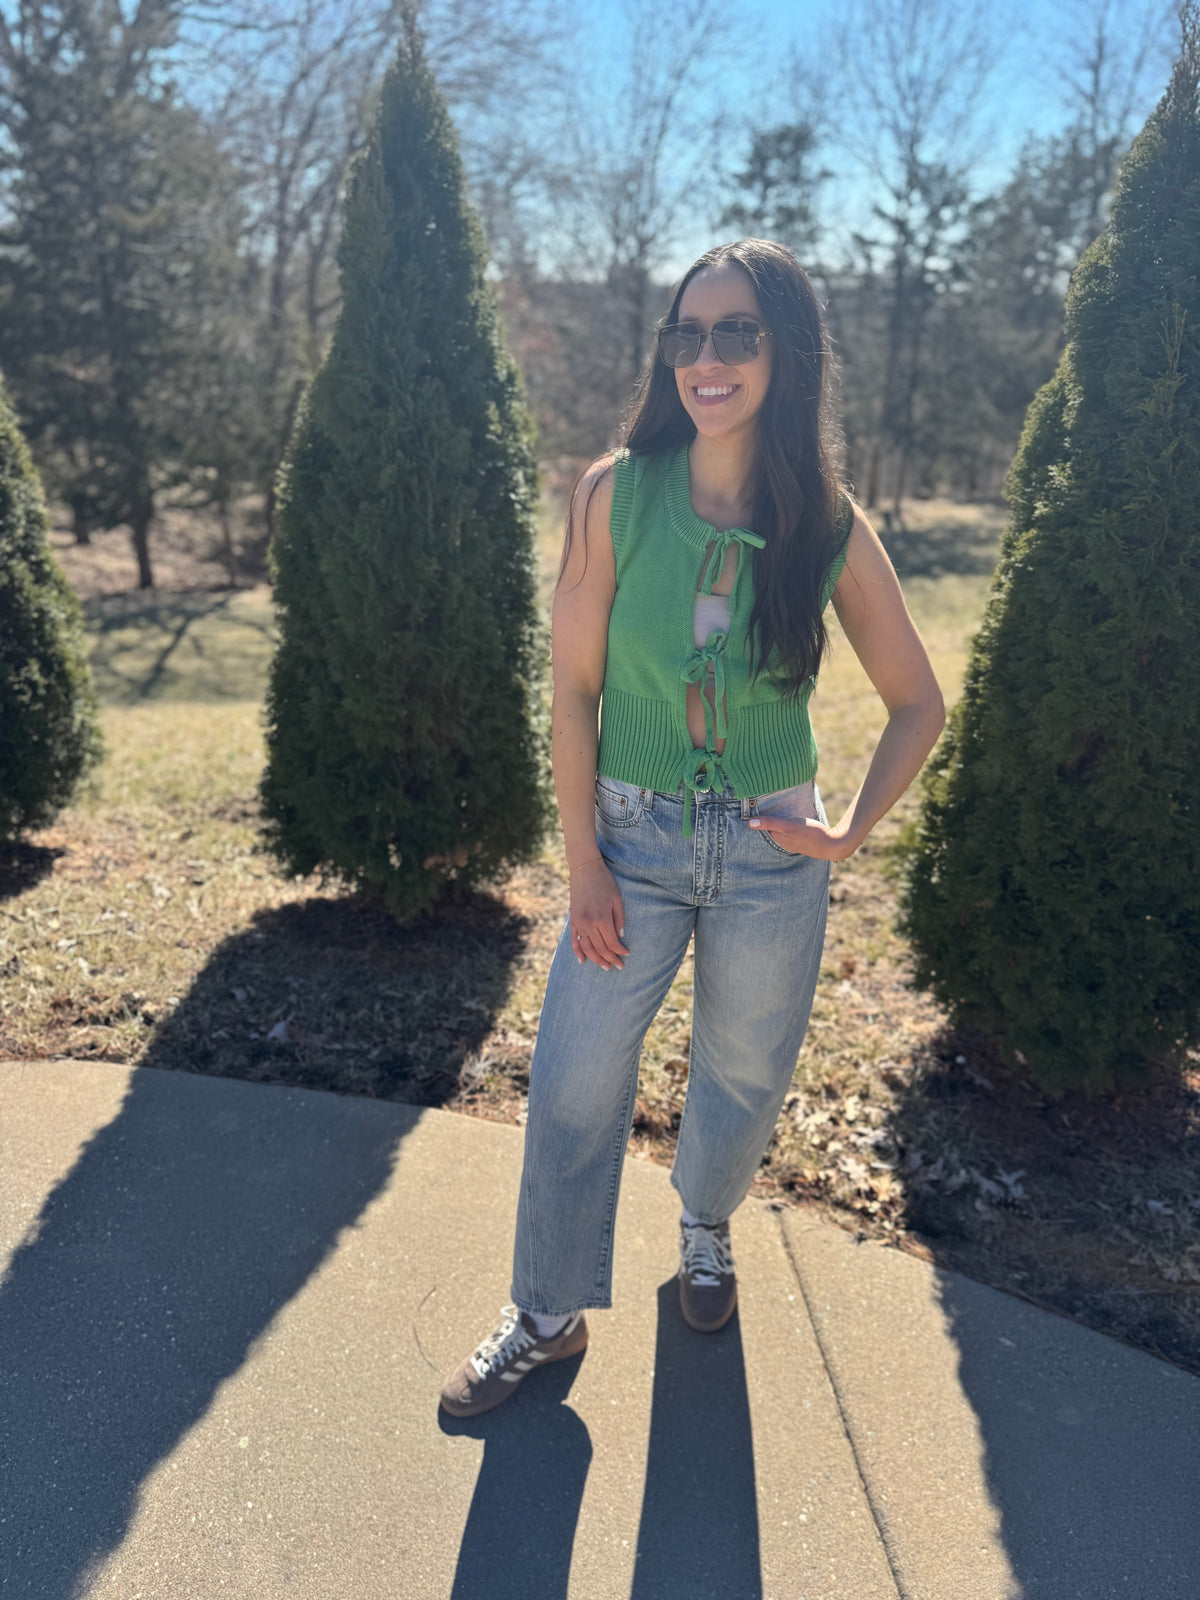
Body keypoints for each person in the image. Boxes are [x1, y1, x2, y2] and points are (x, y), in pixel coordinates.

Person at [439, 238, 945, 1417]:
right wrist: (583, 865)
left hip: (775, 854)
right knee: (571, 1078)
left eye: (736, 333)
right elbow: (570, 692)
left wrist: (850, 828)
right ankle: (546, 1313)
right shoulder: (616, 495)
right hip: (634, 841)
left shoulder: (825, 520)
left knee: (746, 1075)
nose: (705, 358)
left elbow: (918, 699)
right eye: (688, 332)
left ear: (788, 354)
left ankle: (706, 1226)